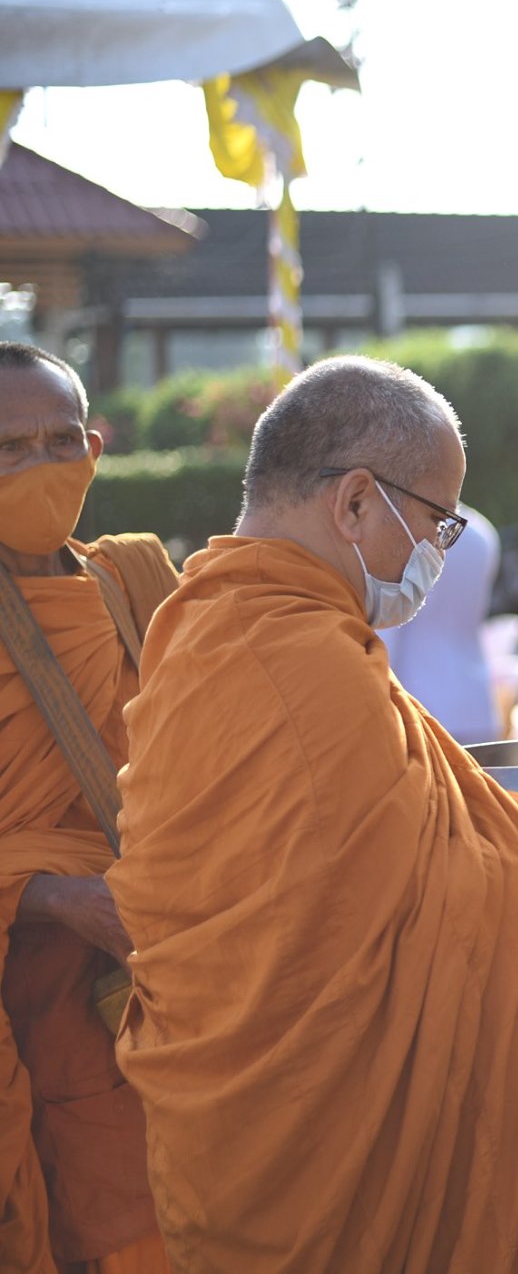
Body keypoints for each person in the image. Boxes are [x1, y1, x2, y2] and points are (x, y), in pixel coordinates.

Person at [107, 357, 518, 1271]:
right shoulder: (298, 656)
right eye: (438, 519)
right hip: (315, 1149)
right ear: (357, 503)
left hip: (243, 1133)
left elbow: (408, 856)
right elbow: (400, 909)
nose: (442, 550)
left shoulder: (213, 622)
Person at [0, 343, 171, 1273]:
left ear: (96, 448)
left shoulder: (138, 583)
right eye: (10, 447)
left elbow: (224, 761)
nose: (39, 466)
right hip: (34, 996)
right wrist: (56, 895)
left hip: (167, 993)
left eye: (59, 440)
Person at [379, 501, 501, 744]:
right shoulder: (482, 532)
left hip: (419, 703)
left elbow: (388, 628)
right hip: (477, 702)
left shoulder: (407, 528)